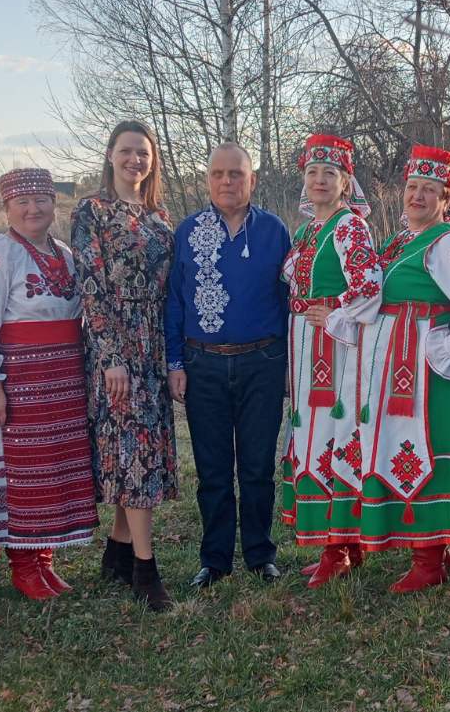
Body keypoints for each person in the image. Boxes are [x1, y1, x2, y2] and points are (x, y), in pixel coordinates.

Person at [346, 144, 450, 593]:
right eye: (412, 187)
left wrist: (448, 343)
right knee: (401, 447)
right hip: (393, 364)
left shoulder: (446, 244)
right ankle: (423, 547)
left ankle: (430, 557)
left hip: (421, 369)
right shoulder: (401, 241)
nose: (417, 195)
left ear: (445, 198)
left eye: (429, 189)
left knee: (421, 448)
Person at [0, 167, 99, 600]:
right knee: (25, 468)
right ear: (7, 207)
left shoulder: (66, 254)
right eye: (21, 202)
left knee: (56, 465)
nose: (32, 209)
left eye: (41, 200)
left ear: (53, 204)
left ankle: (44, 558)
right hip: (22, 377)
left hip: (64, 375)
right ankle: (23, 562)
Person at [164, 142, 292, 589]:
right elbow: (175, 301)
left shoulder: (274, 231)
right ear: (207, 180)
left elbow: (289, 300)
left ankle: (260, 554)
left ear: (251, 179)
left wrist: (291, 363)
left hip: (263, 361)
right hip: (204, 364)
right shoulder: (187, 231)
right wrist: (175, 362)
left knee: (257, 466)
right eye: (218, 174)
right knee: (213, 469)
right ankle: (214, 559)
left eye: (236, 173)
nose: (226, 181)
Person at [69, 121, 178, 611]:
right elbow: (91, 286)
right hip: (114, 341)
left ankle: (116, 552)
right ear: (111, 154)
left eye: (144, 153)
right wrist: (111, 356)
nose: (136, 159)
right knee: (133, 452)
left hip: (152, 342)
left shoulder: (159, 216)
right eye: (127, 151)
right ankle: (144, 569)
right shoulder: (92, 210)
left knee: (139, 447)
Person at [276, 134, 383, 588]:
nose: (319, 180)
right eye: (312, 172)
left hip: (335, 347)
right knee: (311, 432)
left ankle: (338, 546)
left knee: (333, 434)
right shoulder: (307, 231)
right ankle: (341, 543)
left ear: (345, 182)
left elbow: (370, 286)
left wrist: (336, 309)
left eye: (330, 173)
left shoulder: (349, 227)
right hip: (305, 344)